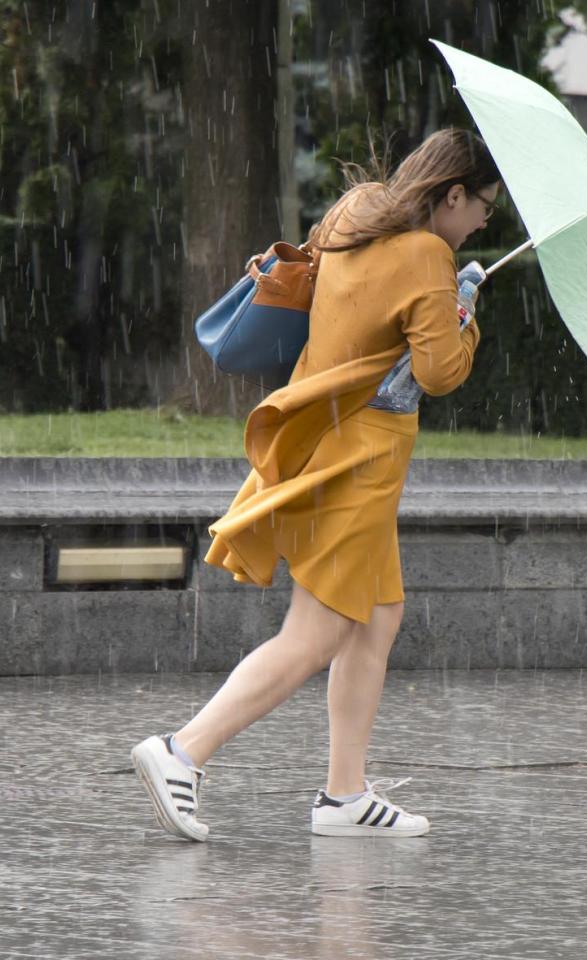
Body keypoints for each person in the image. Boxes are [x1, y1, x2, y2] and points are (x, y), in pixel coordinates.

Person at [132, 129, 502, 841]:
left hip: (325, 434)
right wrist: (464, 315)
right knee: (316, 633)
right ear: (452, 194)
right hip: (362, 462)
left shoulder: (355, 211)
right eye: (483, 205)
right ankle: (182, 752)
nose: (484, 220)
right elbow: (439, 374)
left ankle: (344, 796)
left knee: (378, 616)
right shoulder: (429, 255)